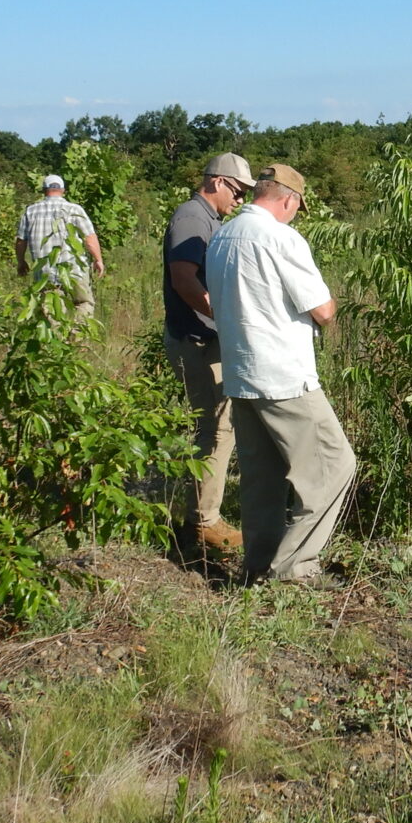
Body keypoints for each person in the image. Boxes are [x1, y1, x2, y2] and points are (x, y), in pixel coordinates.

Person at [204, 163, 357, 583]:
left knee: (262, 480)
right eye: (297, 206)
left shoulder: (221, 237)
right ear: (288, 199)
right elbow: (323, 311)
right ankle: (292, 568)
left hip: (241, 372)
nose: (295, 214)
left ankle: (257, 566)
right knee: (334, 466)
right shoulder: (280, 237)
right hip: (283, 376)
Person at [160, 152, 255, 555]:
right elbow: (183, 279)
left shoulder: (207, 219)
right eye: (236, 191)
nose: (239, 201)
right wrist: (225, 317)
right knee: (216, 429)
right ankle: (203, 523)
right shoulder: (192, 218)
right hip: (196, 340)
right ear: (217, 181)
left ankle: (200, 514)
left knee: (218, 427)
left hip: (204, 337)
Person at [15, 174, 104, 322]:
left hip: (44, 273)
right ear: (63, 190)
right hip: (74, 270)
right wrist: (98, 260)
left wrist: (21, 262)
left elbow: (20, 241)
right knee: (84, 303)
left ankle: (57, 342)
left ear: (44, 190)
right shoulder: (74, 209)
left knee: (51, 311)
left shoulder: (30, 211)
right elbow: (89, 238)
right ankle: (76, 339)